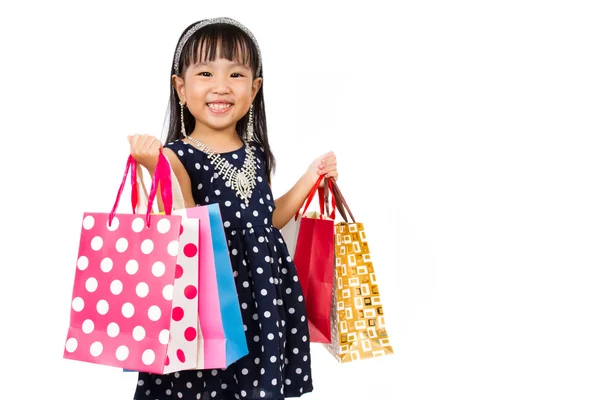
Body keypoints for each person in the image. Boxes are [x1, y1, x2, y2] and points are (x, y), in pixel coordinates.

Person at [128, 17, 339, 400]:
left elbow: (266, 219)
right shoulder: (178, 157)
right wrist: (154, 167)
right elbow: (188, 228)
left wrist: (311, 177)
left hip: (263, 297)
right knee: (208, 384)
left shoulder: (256, 155)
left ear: (255, 88)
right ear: (180, 87)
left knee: (254, 386)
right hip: (215, 299)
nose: (221, 87)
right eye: (206, 72)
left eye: (237, 74)